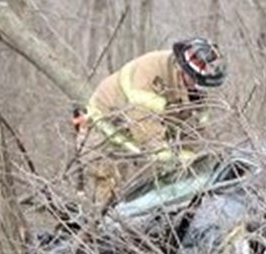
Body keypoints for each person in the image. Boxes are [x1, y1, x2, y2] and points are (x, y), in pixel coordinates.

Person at [74, 37, 228, 206]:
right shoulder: (150, 73)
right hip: (105, 128)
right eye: (196, 83)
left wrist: (191, 163)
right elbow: (145, 127)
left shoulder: (194, 91)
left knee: (160, 186)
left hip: (140, 135)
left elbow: (194, 132)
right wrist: (171, 161)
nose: (198, 90)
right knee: (107, 193)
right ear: (184, 70)